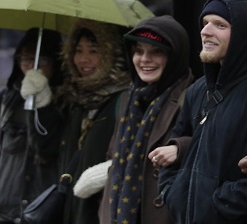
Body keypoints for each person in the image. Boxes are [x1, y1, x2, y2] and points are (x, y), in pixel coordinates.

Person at [158, 0, 247, 223]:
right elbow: (179, 140)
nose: (205, 32)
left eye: (220, 25)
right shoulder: (198, 90)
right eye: (205, 24)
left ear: (246, 36)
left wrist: (218, 205)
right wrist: (171, 193)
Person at [72, 15, 192, 224]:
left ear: (174, 56)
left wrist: (180, 148)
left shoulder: (192, 96)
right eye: (139, 51)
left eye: (157, 51)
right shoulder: (130, 98)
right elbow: (114, 153)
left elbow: (213, 150)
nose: (145, 59)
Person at [22, 20, 131, 224]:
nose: (84, 59)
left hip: (102, 212)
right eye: (78, 50)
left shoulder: (124, 99)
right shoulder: (75, 99)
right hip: (70, 210)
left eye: (93, 51)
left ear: (110, 54)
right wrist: (40, 102)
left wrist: (108, 171)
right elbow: (44, 148)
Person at [0, 28, 65, 224]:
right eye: (24, 59)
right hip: (4, 211)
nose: (30, 66)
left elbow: (48, 147)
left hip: (44, 213)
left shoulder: (66, 103)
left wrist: (43, 105)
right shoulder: (6, 99)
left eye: (41, 60)